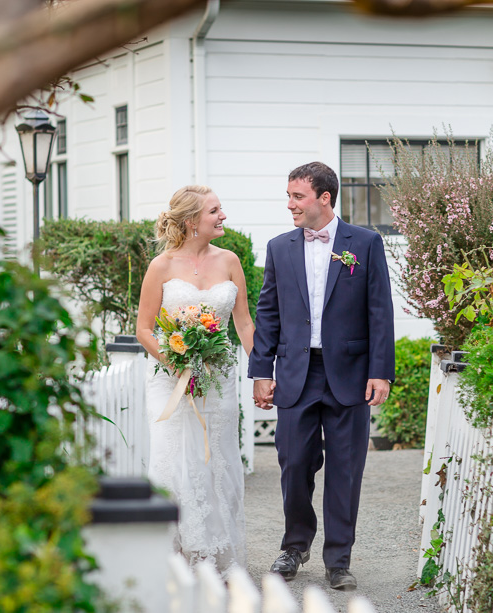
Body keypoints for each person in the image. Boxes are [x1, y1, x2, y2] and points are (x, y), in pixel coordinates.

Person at [249, 162, 396, 591]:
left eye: (298, 196)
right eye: (289, 196)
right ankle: (295, 546)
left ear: (325, 198)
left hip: (350, 374)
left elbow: (379, 312)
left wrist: (380, 372)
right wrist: (261, 370)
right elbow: (268, 312)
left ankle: (339, 559)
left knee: (345, 470)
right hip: (297, 372)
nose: (290, 204)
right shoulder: (279, 247)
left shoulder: (365, 244)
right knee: (293, 463)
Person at [135, 185, 255, 576]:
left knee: (215, 461)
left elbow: (243, 322)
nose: (223, 216)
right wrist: (176, 362)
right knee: (175, 462)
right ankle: (173, 559)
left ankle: (215, 559)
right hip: (170, 382)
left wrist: (263, 372)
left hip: (217, 379)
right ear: (191, 222)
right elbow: (144, 328)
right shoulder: (162, 266)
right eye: (215, 211)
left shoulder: (230, 260)